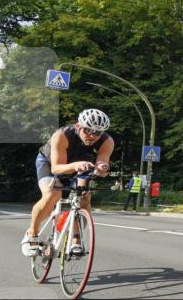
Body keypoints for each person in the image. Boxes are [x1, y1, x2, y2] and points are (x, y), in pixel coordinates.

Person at [21, 109, 115, 257]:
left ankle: (75, 239)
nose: (92, 135)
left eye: (98, 133)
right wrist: (74, 166)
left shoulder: (107, 141)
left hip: (82, 167)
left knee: (84, 196)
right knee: (53, 193)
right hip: (50, 164)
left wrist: (103, 168)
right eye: (88, 130)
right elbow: (56, 167)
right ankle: (31, 234)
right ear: (78, 126)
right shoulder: (62, 135)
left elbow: (102, 165)